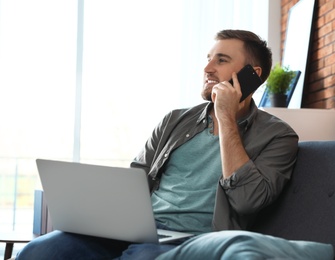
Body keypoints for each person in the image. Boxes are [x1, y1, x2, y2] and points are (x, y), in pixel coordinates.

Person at [17, 29, 298, 259]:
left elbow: (248, 201)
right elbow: (136, 178)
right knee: (39, 251)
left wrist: (225, 116)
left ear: (253, 75)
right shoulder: (174, 121)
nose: (207, 68)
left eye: (221, 60)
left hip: (193, 240)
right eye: (208, 58)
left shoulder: (278, 136)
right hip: (137, 230)